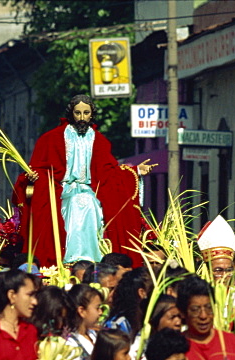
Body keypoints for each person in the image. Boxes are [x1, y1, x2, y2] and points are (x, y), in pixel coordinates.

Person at [11, 94, 152, 267]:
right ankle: (67, 258)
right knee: (73, 204)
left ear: (91, 114)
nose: (82, 117)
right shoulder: (52, 138)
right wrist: (32, 177)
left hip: (89, 190)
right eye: (78, 113)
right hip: (61, 189)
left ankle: (90, 258)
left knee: (88, 204)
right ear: (72, 114)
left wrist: (136, 171)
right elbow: (40, 167)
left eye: (86, 113)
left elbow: (110, 171)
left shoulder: (99, 140)